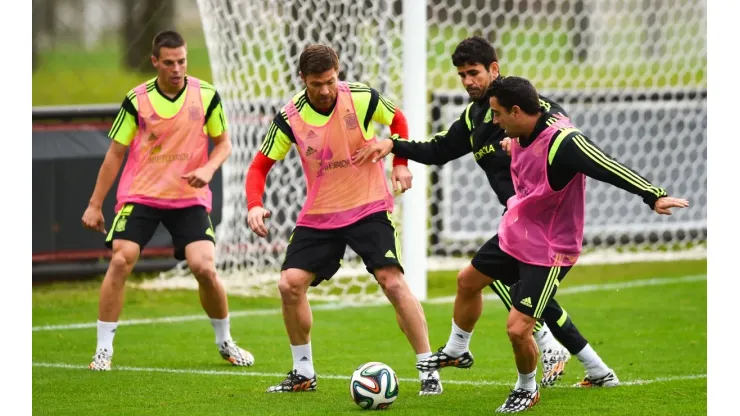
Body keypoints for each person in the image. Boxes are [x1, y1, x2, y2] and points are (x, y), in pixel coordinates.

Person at [352, 36, 615, 388]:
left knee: (520, 299)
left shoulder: (529, 109)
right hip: (517, 224)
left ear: (494, 68)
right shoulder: (475, 116)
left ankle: (547, 360)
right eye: (461, 75)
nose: (467, 81)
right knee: (507, 289)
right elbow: (440, 148)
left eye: (473, 72)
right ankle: (591, 367)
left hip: (547, 228)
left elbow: (565, 137)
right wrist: (394, 145)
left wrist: (650, 195)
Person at [453, 75, 688, 412]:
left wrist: (654, 196)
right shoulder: (519, 132)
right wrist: (513, 141)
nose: (493, 121)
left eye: (497, 114)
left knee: (518, 328)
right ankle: (457, 349)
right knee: (467, 280)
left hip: (549, 249)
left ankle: (526, 388)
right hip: (517, 233)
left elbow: (607, 166)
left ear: (517, 111)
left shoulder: (564, 142)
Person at [244, 44, 442, 395]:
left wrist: (399, 164)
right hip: (320, 214)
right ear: (302, 79)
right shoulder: (290, 117)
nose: (324, 90)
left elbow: (398, 120)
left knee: (391, 280)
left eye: (330, 81)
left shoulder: (361, 98)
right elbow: (260, 166)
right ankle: (303, 373)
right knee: (289, 284)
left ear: (338, 72)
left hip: (367, 206)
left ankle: (428, 370)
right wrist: (254, 204)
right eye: (316, 84)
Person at [81, 30, 254, 371]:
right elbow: (116, 153)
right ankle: (103, 351)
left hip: (189, 196)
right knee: (121, 260)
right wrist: (94, 203)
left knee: (204, 267)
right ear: (155, 62)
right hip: (142, 194)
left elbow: (224, 145)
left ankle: (225, 342)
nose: (177, 69)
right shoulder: (137, 99)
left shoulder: (206, 95)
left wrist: (208, 169)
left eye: (182, 61)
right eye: (170, 62)